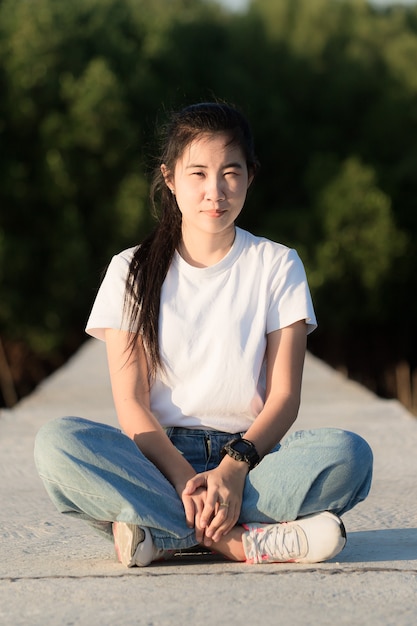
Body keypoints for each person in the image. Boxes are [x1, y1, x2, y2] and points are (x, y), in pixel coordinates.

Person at [34, 102, 373, 567]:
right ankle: (236, 540)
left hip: (253, 458)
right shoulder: (129, 270)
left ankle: (156, 531)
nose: (215, 191)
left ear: (250, 177)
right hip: (157, 458)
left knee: (349, 456)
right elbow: (132, 405)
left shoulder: (277, 265)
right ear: (170, 178)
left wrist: (233, 470)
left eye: (230, 173)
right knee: (57, 444)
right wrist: (181, 478)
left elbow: (285, 398)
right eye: (197, 173)